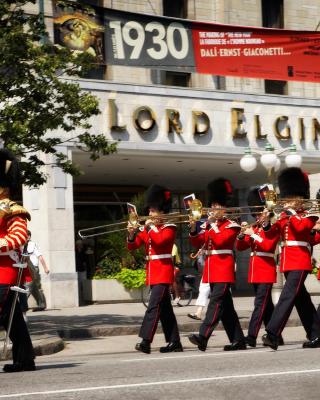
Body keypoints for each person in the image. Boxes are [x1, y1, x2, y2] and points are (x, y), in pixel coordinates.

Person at [262, 167, 320, 350]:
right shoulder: (284, 216)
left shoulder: (308, 215)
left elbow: (302, 229)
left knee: (287, 297)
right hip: (287, 262)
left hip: (300, 261)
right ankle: (316, 335)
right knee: (301, 300)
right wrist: (266, 223)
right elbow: (271, 236)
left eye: (290, 197)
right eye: (286, 197)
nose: (287, 201)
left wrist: (290, 213)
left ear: (300, 198)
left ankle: (272, 333)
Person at [188, 178, 246, 351]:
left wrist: (211, 225)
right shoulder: (211, 225)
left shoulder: (232, 225)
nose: (213, 209)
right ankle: (238, 340)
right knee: (226, 308)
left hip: (224, 268)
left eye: (217, 206)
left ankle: (203, 336)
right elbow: (198, 243)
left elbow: (221, 242)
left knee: (215, 303)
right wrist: (193, 229)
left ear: (225, 207)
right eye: (212, 205)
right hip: (212, 269)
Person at [127, 184, 183, 354]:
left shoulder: (169, 227)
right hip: (153, 272)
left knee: (153, 307)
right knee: (165, 309)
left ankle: (145, 340)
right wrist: (131, 234)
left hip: (163, 272)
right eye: (149, 211)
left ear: (161, 211)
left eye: (152, 211)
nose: (149, 214)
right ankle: (175, 342)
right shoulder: (149, 229)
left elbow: (159, 242)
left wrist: (149, 227)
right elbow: (134, 246)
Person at [0, 148, 36, 372]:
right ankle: (25, 359)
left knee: (7, 315)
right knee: (12, 319)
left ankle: (24, 359)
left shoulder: (15, 210)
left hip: (6, 270)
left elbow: (19, 237)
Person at [236, 186, 283, 347]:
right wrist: (242, 235)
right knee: (267, 306)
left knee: (259, 304)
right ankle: (277, 336)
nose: (258, 216)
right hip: (255, 271)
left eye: (260, 213)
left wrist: (253, 234)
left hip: (266, 270)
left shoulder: (274, 227)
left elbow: (268, 246)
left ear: (267, 212)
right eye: (255, 214)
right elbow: (241, 247)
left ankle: (251, 336)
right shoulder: (255, 227)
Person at [24, 230, 49, 311]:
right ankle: (41, 304)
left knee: (29, 286)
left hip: (33, 268)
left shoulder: (32, 244)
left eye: (25, 235)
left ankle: (21, 305)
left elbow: (40, 256)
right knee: (35, 287)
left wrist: (45, 268)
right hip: (26, 268)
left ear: (28, 236)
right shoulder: (22, 245)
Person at [188, 252, 210, 320]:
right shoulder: (203, 250)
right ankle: (198, 313)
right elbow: (201, 268)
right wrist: (201, 256)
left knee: (224, 295)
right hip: (208, 273)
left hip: (218, 271)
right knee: (203, 291)